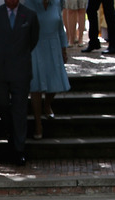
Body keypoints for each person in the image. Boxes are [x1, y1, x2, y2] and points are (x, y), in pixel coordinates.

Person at [0, 0, 40, 165]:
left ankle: (19, 149)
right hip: (0, 70)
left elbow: (33, 40)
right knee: (3, 104)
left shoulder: (30, 16)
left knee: (19, 109)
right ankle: (10, 134)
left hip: (21, 70)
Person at [26, 0, 71, 139]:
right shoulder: (28, 4)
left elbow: (60, 27)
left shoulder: (57, 3)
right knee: (36, 86)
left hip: (54, 45)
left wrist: (64, 49)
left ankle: (47, 104)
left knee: (56, 80)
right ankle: (38, 124)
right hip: (35, 46)